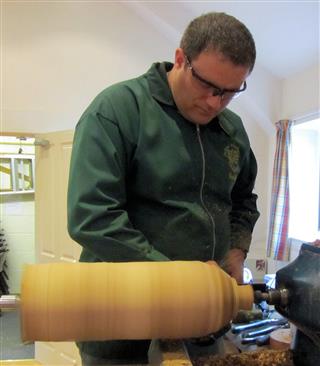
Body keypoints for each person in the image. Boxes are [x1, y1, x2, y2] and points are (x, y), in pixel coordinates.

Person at [67, 11, 260, 365]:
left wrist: (236, 249)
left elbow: (244, 200)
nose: (216, 103)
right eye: (209, 86)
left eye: (231, 92)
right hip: (121, 320)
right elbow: (91, 217)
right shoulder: (117, 110)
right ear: (181, 59)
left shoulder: (232, 129)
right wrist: (176, 276)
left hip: (202, 322)